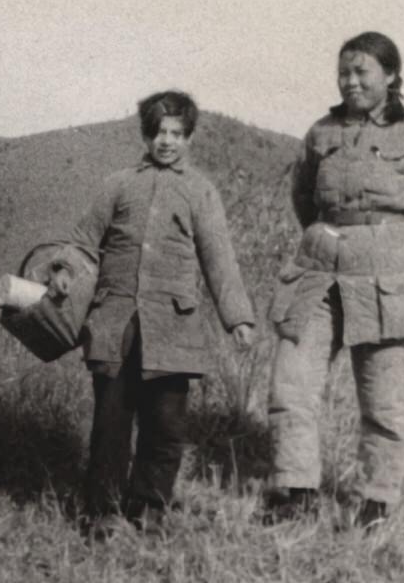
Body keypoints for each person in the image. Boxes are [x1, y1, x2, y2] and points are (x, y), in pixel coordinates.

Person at [261, 32, 404, 529]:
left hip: (388, 283)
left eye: (362, 73)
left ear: (391, 77)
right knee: (290, 384)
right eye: (344, 73)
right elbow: (304, 200)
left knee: (382, 399)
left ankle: (375, 501)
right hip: (318, 277)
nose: (350, 82)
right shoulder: (319, 133)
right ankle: (296, 491)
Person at [49, 90, 255, 535]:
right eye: (159, 132)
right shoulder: (118, 184)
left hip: (173, 330)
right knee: (110, 423)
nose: (167, 141)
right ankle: (102, 512)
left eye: (177, 134)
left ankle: (149, 508)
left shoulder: (200, 192)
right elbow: (84, 239)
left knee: (165, 424)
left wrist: (237, 317)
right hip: (115, 325)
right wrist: (65, 270)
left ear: (190, 138)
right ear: (146, 135)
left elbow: (219, 257)